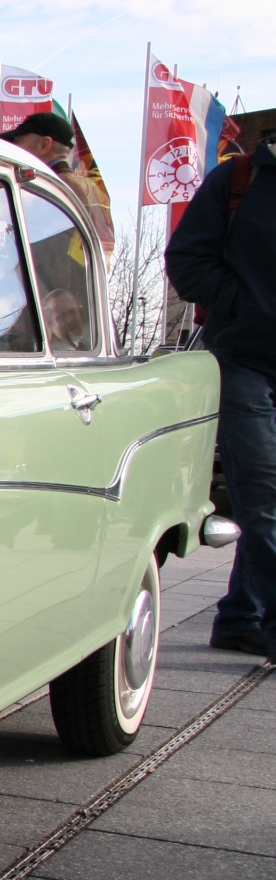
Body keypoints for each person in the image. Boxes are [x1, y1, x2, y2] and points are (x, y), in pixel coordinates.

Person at [166, 134, 276, 657]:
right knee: (263, 496)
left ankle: (239, 617)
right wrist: (243, 307)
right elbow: (187, 261)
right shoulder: (239, 179)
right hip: (244, 357)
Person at [0, 113, 110, 240]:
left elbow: (48, 246)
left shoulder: (52, 188)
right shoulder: (89, 187)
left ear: (44, 145)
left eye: (18, 141)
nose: (14, 148)